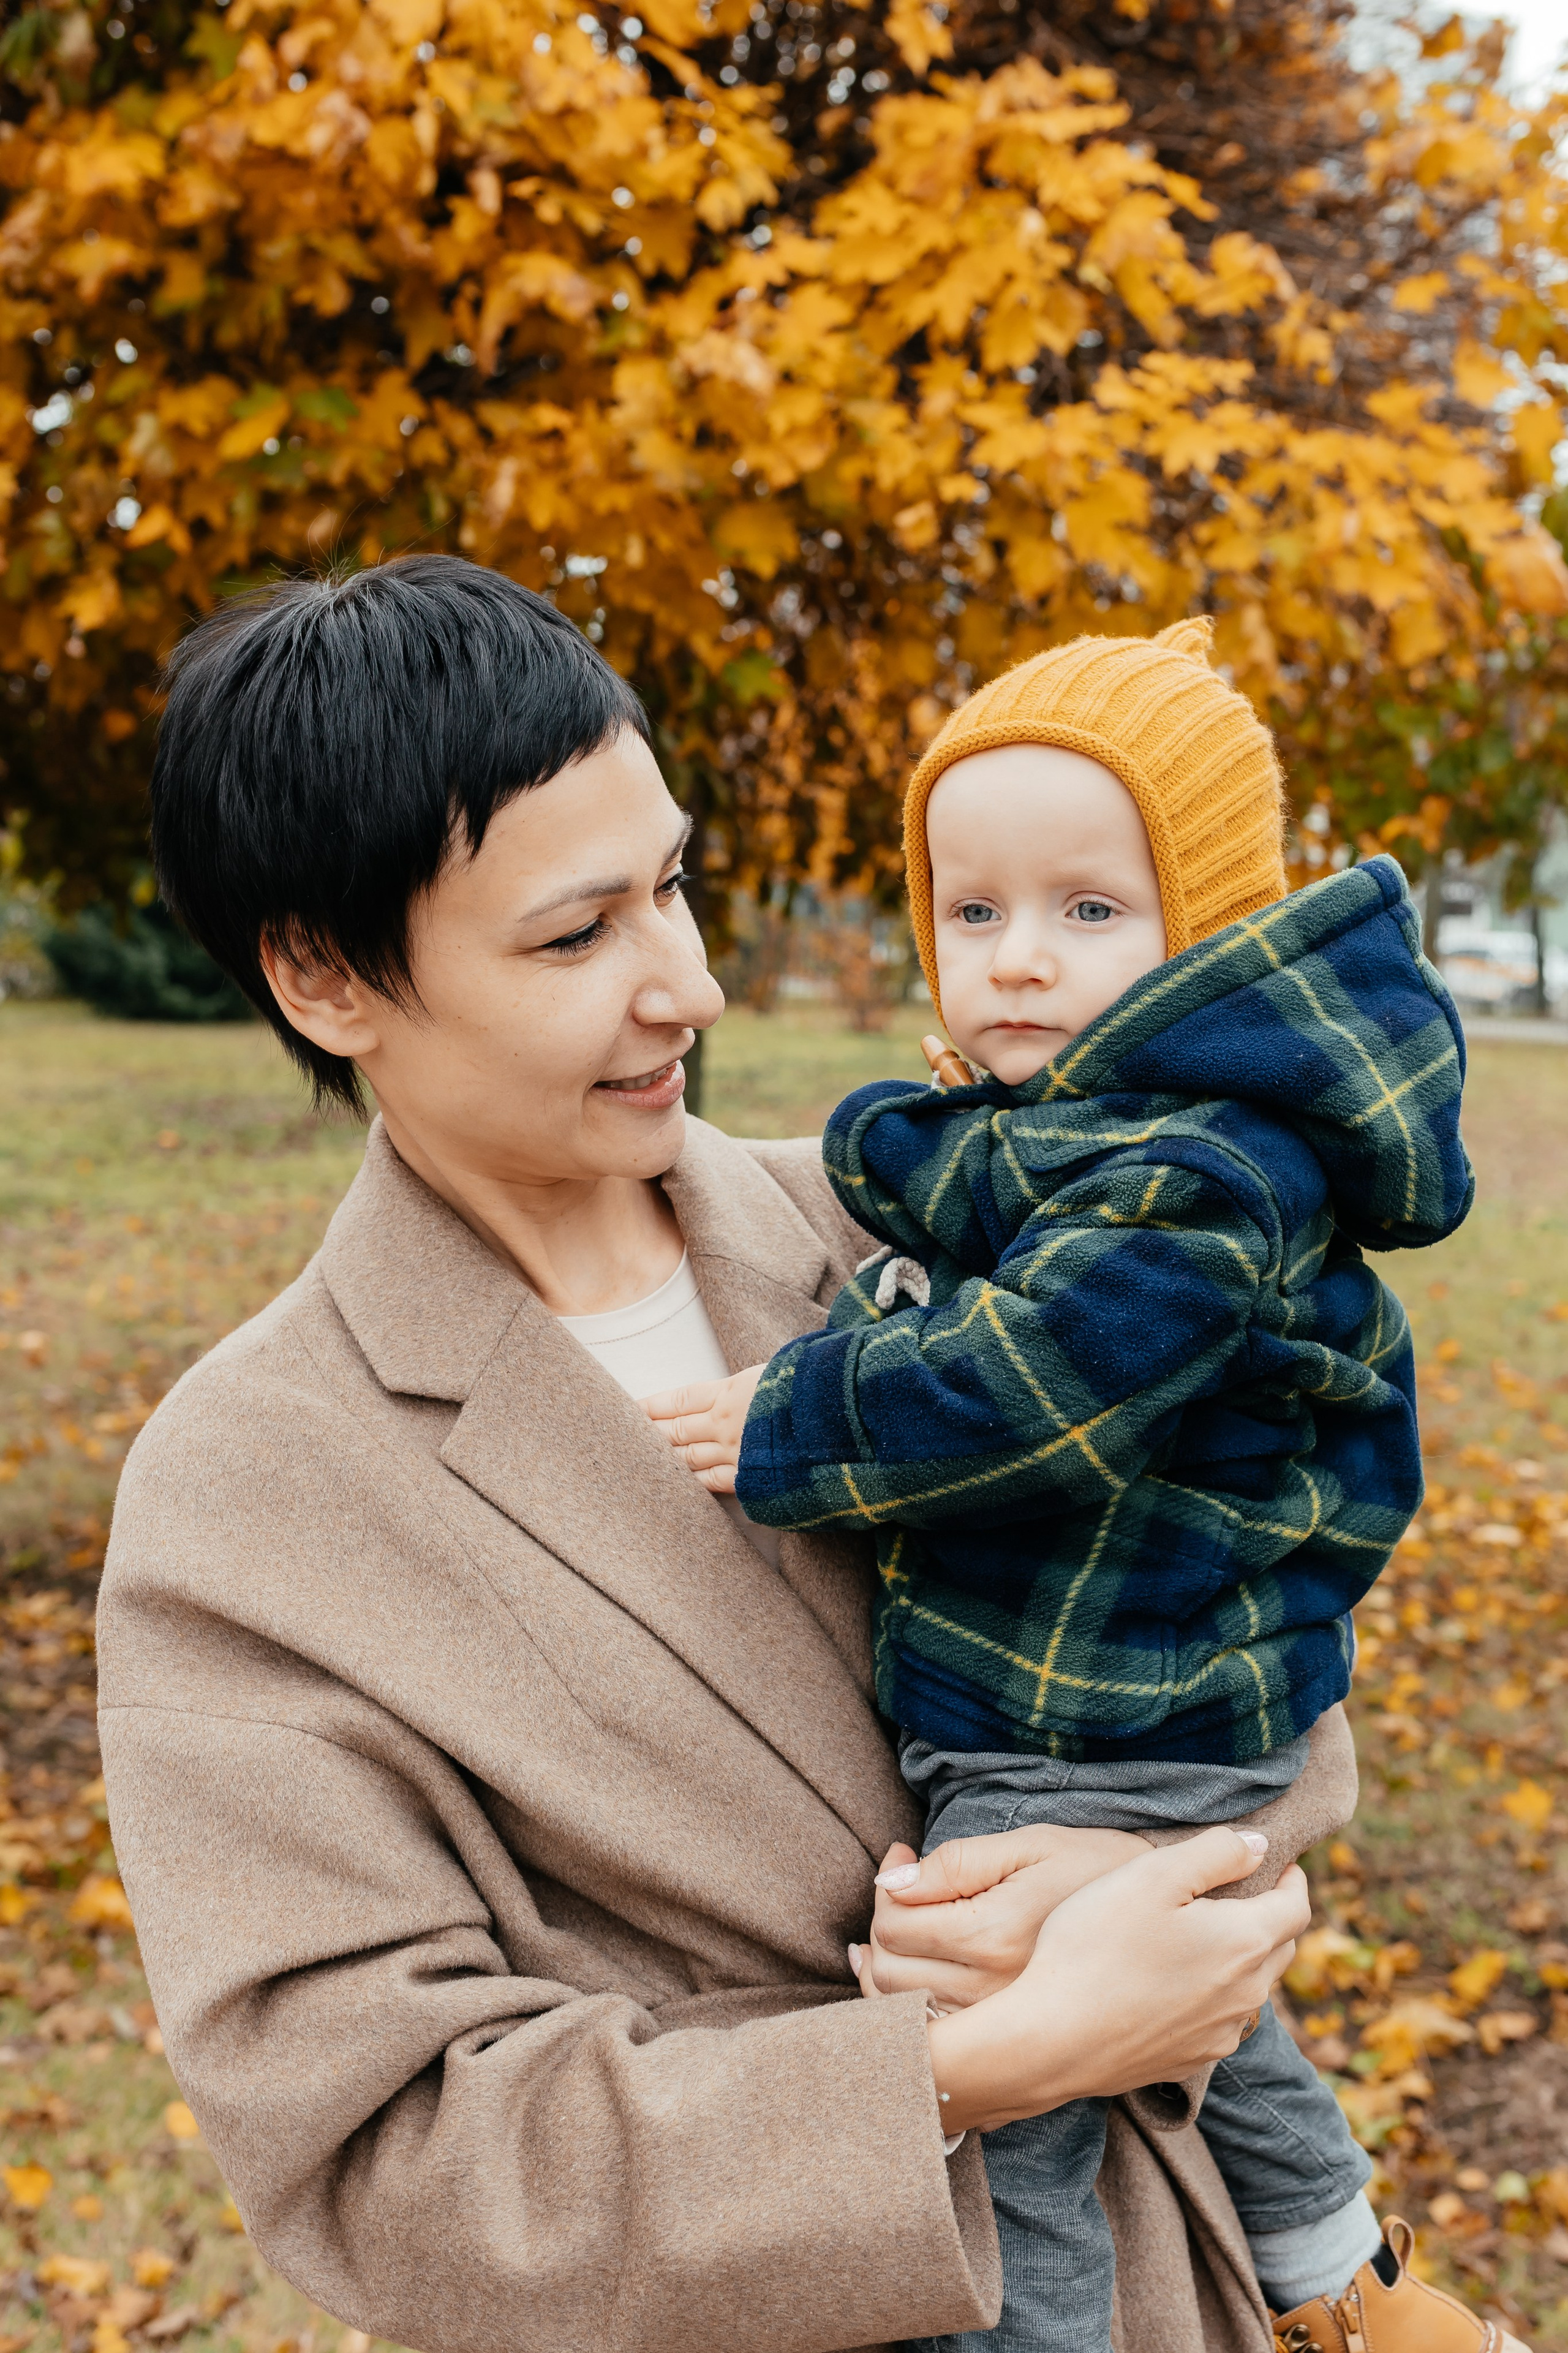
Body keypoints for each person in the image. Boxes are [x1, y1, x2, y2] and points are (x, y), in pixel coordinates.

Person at [94, 558, 1325, 2353]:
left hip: (1174, 2290)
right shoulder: (247, 1495)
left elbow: (1266, 1575)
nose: (689, 985)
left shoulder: (922, 1228)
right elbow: (393, 2160)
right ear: (324, 974)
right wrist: (980, 2061)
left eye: (670, 885)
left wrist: (1136, 1856)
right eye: (576, 937)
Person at [644, 622, 1518, 2353]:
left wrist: (800, 1417)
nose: (1020, 959)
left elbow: (1038, 1391)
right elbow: (971, 1194)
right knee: (1211, 2024)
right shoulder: (1099, 1122)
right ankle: (1356, 2288)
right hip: (1126, 1687)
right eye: (974, 912)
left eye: (1090, 910)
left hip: (1102, 1711)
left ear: (1208, 928)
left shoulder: (1196, 1173)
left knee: (1015, 2080)